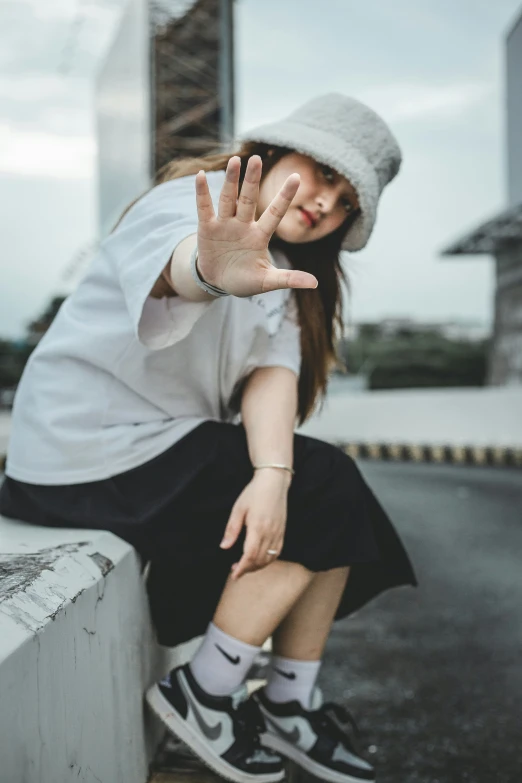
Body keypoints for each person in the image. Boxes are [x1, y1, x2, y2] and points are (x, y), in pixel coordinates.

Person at [0, 94, 416, 783]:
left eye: (344, 199)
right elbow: (181, 266)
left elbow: (271, 380)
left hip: (147, 451)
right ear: (273, 152)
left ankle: (287, 700)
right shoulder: (194, 203)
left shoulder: (286, 276)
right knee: (328, 484)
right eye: (320, 171)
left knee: (329, 493)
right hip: (80, 454)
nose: (323, 201)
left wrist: (273, 476)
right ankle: (207, 691)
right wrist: (206, 270)